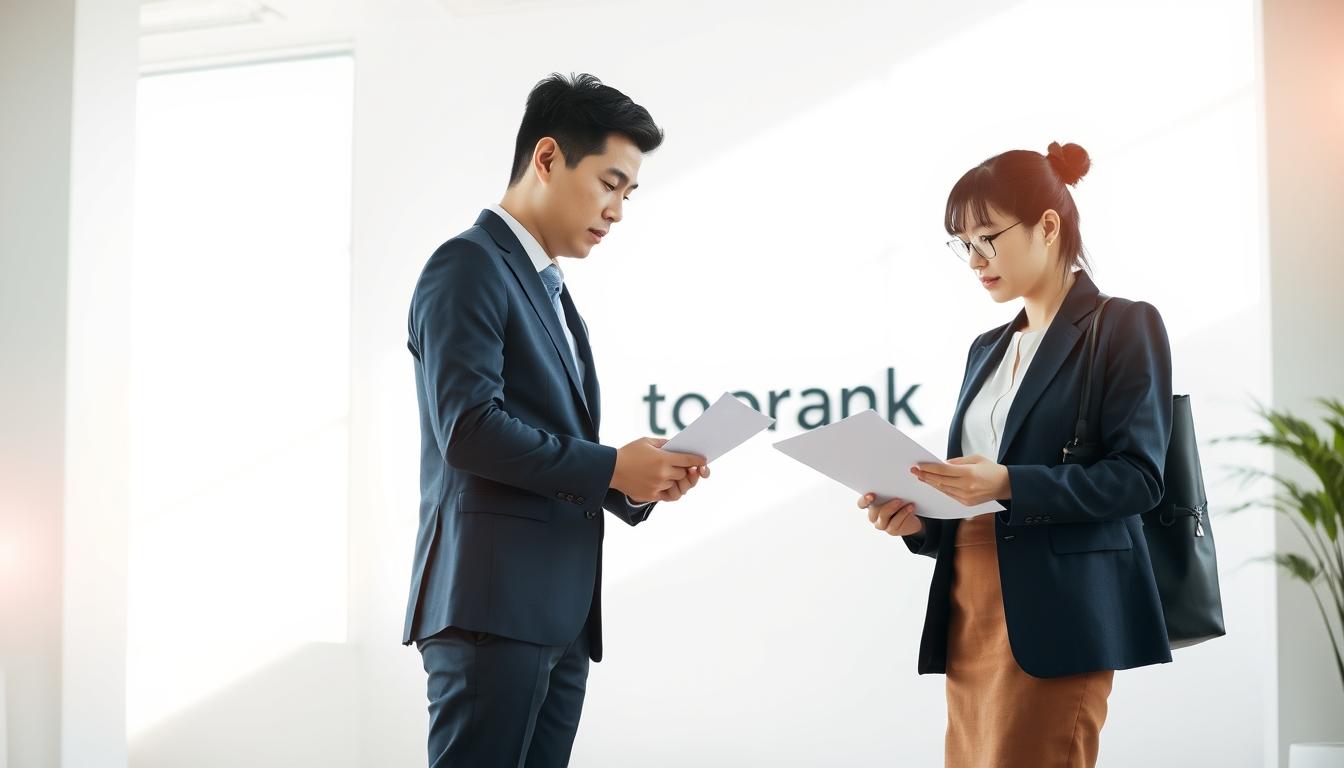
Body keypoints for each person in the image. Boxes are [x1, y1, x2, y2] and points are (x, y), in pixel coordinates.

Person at [404, 72, 710, 767]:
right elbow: (469, 430)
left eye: (629, 193)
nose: (618, 211)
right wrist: (610, 464)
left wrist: (634, 483)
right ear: (547, 159)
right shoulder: (467, 266)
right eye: (609, 183)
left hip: (556, 616)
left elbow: (544, 442)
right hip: (493, 611)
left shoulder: (551, 290)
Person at [857, 142, 1173, 767]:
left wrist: (1007, 483)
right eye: (962, 244)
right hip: (971, 600)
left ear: (1048, 226)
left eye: (986, 238)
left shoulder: (1123, 325)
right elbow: (973, 493)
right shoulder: (986, 348)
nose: (974, 259)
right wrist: (919, 523)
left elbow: (1138, 479)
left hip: (1059, 608)